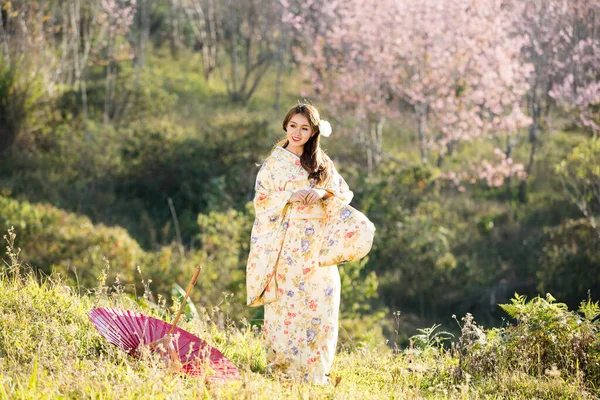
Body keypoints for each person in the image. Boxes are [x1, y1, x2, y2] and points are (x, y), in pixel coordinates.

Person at [246, 103, 360, 385]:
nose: (297, 132)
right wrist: (290, 196)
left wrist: (321, 192)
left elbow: (343, 193)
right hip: (287, 247)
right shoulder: (275, 163)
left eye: (304, 128)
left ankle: (314, 373)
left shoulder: (320, 162)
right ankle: (284, 370)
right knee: (287, 308)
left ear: (313, 132)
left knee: (321, 306)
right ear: (286, 126)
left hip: (316, 247)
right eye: (293, 126)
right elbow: (261, 201)